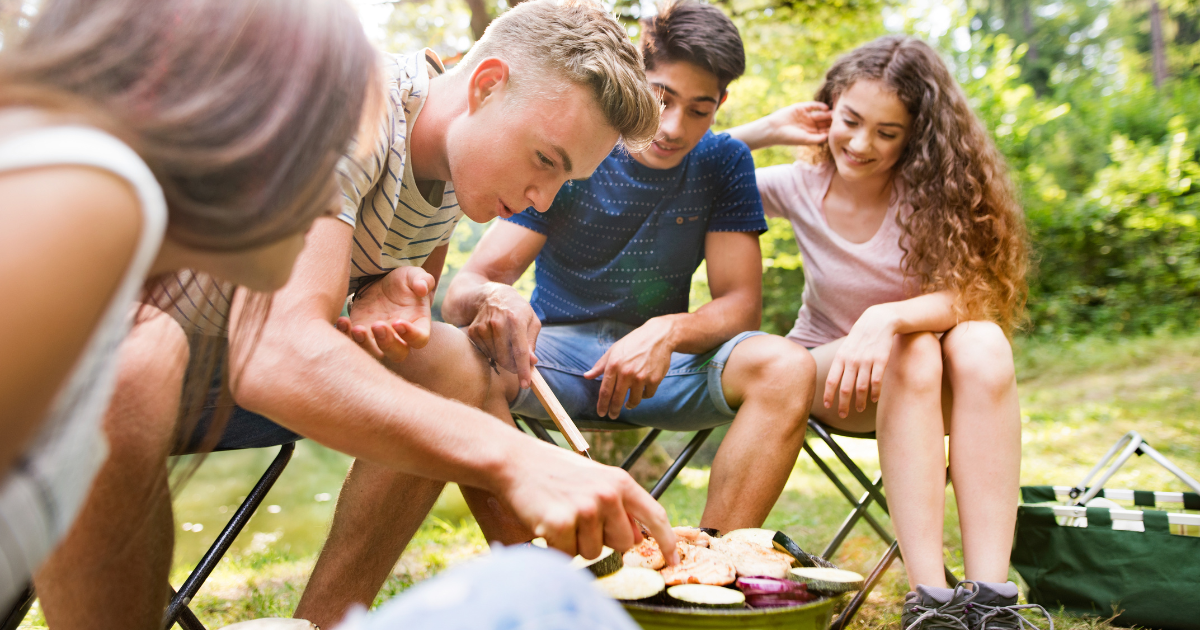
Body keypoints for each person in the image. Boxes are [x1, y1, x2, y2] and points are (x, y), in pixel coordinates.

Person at [34, 1, 678, 628]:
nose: (541, 197)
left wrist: (383, 291)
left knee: (452, 363)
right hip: (102, 361)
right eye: (545, 160)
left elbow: (395, 307)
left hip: (217, 366)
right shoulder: (355, 105)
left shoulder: (457, 174)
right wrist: (515, 457)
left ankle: (328, 623)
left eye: (564, 182)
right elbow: (277, 350)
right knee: (141, 352)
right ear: (486, 85)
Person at [0, 0, 375, 615]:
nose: (334, 198)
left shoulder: (113, 290)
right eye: (329, 149)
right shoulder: (97, 193)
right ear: (244, 121)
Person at [439, 0, 817, 534]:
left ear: (722, 104)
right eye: (662, 98)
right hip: (554, 359)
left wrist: (668, 330)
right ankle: (535, 580)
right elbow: (467, 287)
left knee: (788, 366)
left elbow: (741, 304)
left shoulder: (725, 161)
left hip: (662, 370)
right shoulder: (580, 146)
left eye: (700, 109)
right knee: (452, 359)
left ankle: (710, 575)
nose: (673, 126)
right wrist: (498, 300)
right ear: (637, 75)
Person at [726, 36, 1047, 629]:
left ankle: (990, 600)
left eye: (886, 132)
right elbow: (687, 162)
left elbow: (976, 295)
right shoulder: (797, 184)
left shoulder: (937, 195)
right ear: (828, 109)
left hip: (924, 385)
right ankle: (930, 599)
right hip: (826, 375)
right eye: (849, 121)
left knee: (981, 342)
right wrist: (767, 129)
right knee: (916, 353)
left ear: (916, 136)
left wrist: (887, 317)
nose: (859, 143)